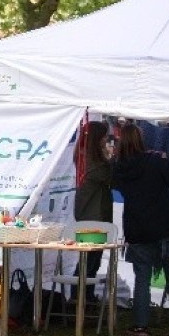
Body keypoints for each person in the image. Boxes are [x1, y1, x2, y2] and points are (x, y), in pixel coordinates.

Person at [111, 123, 169, 336]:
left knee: (142, 277)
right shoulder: (154, 161)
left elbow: (118, 186)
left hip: (138, 227)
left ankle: (141, 325)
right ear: (141, 140)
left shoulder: (118, 167)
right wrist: (164, 159)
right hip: (165, 225)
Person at [71, 120, 113, 301]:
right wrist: (110, 158)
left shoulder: (84, 157)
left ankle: (85, 297)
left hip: (92, 215)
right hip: (92, 217)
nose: (106, 140)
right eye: (104, 136)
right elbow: (108, 175)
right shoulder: (91, 161)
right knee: (89, 262)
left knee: (92, 261)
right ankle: (78, 299)